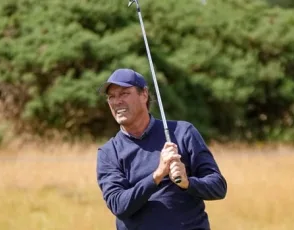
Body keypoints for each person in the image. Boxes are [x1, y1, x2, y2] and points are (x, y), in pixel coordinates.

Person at [96, 68, 227, 230]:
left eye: (124, 94)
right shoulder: (109, 152)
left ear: (144, 95)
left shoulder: (182, 132)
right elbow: (118, 205)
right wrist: (157, 176)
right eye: (111, 97)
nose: (117, 102)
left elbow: (218, 187)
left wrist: (187, 183)